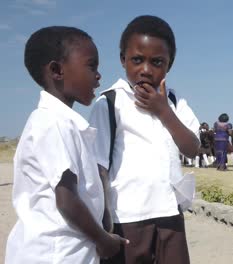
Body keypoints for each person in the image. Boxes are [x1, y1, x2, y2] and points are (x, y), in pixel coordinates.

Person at [6, 26, 128, 264]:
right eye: (91, 66)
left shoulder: (64, 123)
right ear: (57, 70)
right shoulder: (53, 123)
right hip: (56, 254)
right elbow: (67, 199)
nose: (98, 75)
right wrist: (103, 239)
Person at [89, 16, 200, 264]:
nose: (146, 70)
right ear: (122, 60)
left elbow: (192, 148)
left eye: (157, 62)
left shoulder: (174, 102)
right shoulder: (110, 103)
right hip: (126, 218)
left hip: (169, 214)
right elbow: (99, 170)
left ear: (169, 65)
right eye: (137, 60)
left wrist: (164, 112)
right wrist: (104, 226)